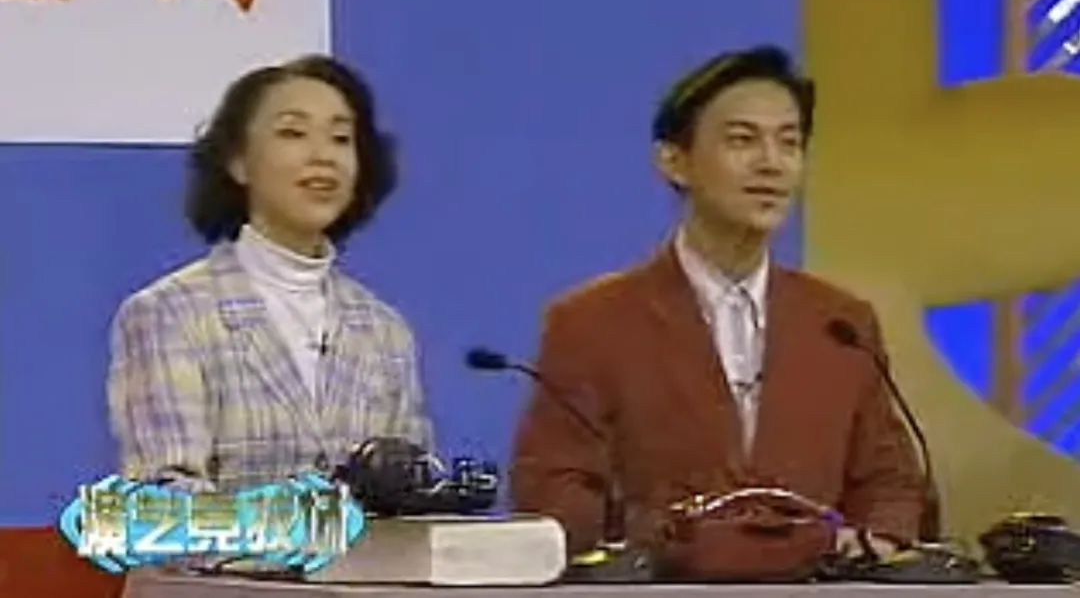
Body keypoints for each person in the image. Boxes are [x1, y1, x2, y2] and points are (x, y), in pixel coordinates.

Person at [511, 46, 926, 562]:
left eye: (789, 143)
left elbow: (890, 481)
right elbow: (553, 487)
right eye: (742, 140)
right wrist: (664, 544)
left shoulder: (841, 322)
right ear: (674, 161)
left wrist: (875, 541)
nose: (771, 164)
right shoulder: (591, 322)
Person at [107, 55, 433, 492]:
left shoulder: (385, 332)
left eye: (341, 138)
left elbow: (410, 494)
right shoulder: (169, 314)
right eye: (293, 133)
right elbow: (167, 496)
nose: (323, 156)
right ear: (238, 161)